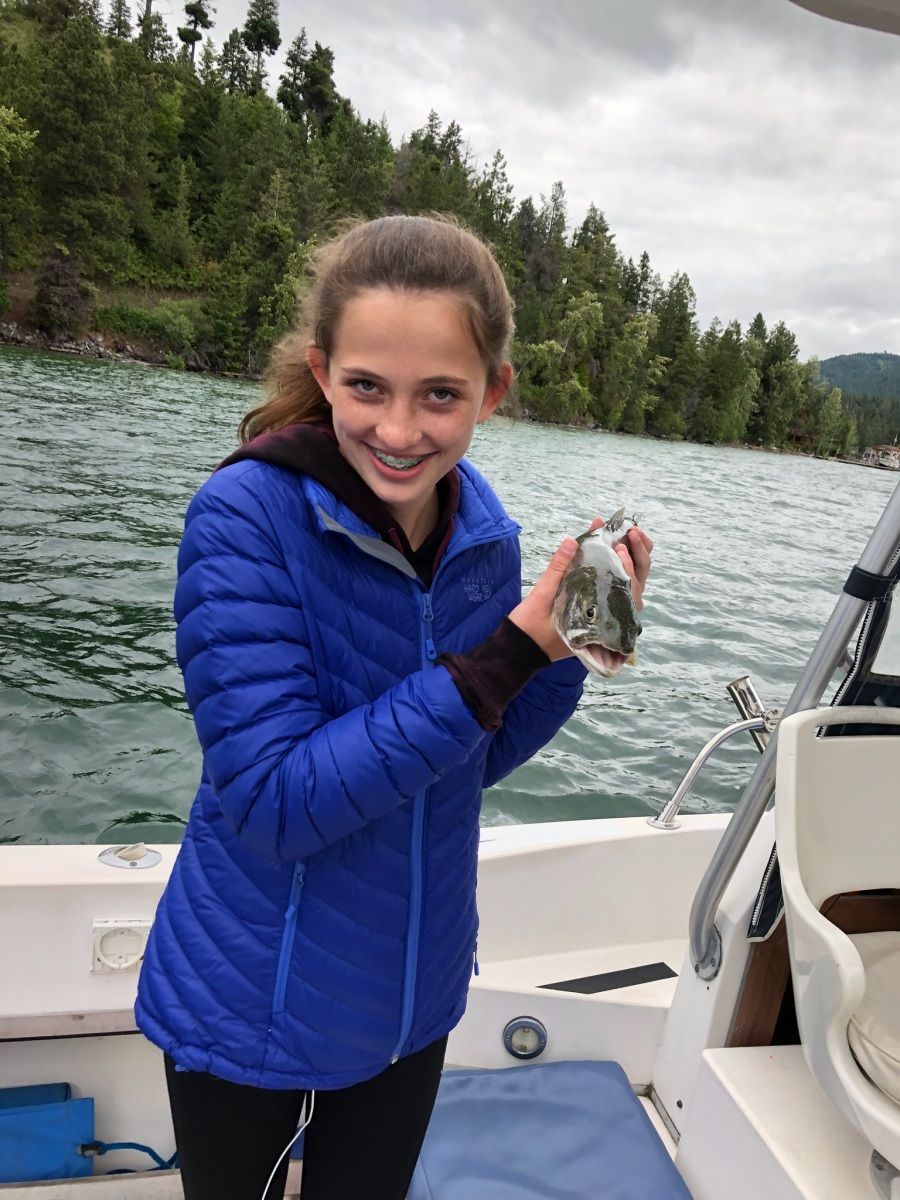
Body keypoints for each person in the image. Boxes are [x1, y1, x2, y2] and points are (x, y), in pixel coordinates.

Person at [134, 213, 652, 1200]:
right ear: (323, 370)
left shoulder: (483, 535)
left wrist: (566, 649)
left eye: (441, 396)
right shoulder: (244, 516)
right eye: (367, 386)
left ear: (491, 394)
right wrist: (508, 654)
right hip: (251, 998)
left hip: (411, 999)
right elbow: (275, 802)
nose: (400, 431)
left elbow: (464, 763)